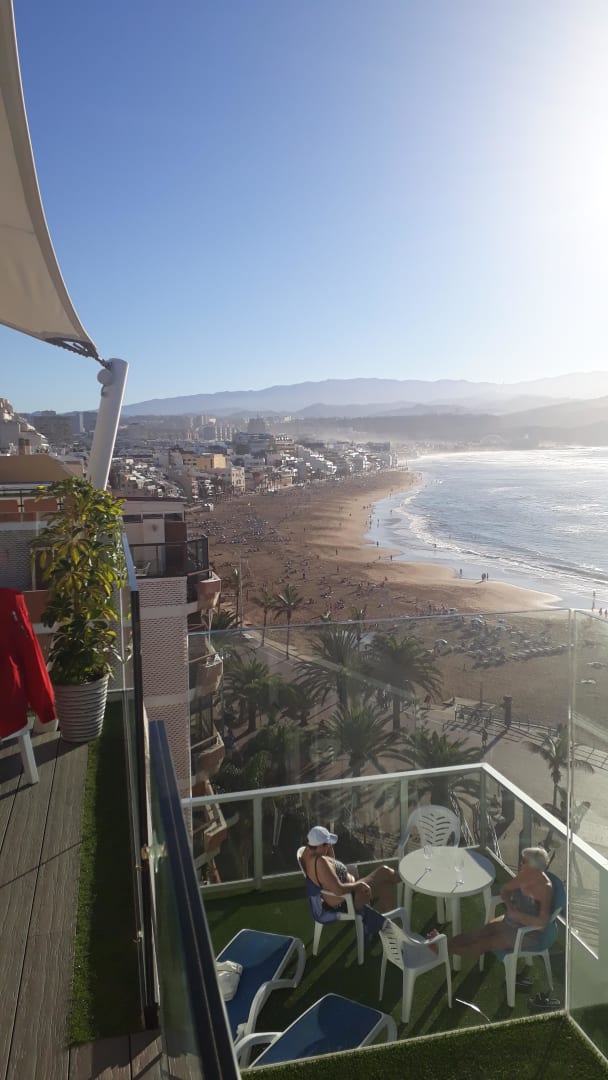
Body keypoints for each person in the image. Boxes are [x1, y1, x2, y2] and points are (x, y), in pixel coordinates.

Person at [429, 846, 553, 959]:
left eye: (524, 861)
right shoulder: (523, 876)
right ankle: (444, 944)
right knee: (478, 933)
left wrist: (517, 916)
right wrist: (510, 906)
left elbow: (542, 923)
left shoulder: (544, 888)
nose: (520, 863)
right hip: (510, 922)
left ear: (533, 866)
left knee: (483, 943)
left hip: (527, 934)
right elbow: (504, 890)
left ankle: (443, 949)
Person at [299, 825, 397, 913]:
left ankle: (388, 923)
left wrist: (328, 848)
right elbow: (339, 890)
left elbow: (330, 868)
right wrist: (358, 885)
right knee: (385, 872)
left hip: (347, 894)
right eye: (327, 844)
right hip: (347, 899)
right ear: (320, 846)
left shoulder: (309, 854)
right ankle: (403, 877)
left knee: (385, 885)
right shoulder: (320, 862)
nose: (329, 846)